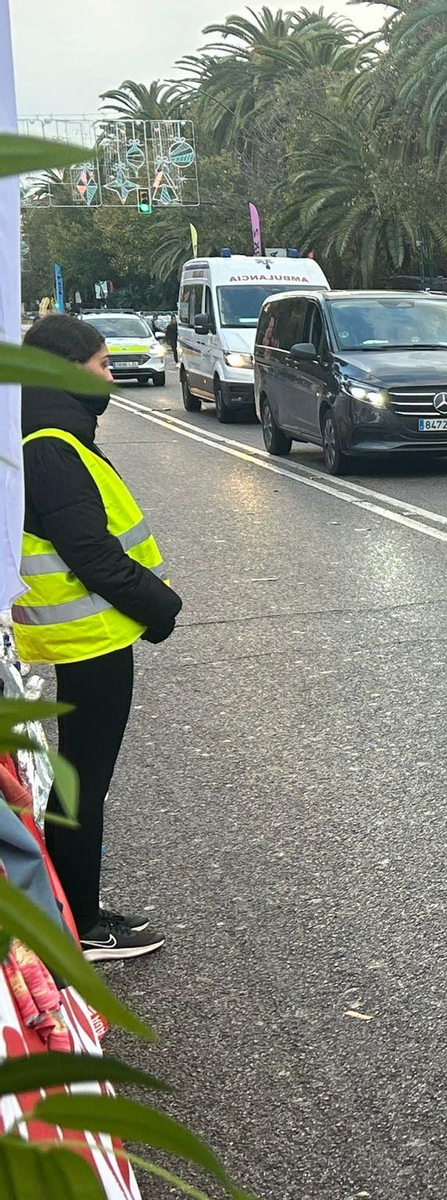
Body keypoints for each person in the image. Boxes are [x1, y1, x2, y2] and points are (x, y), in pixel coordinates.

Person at [14, 315, 182, 961]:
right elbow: (92, 553)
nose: (112, 377)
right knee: (84, 784)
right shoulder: (51, 445)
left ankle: (70, 910)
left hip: (87, 634)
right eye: (104, 364)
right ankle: (82, 925)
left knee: (78, 780)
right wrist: (160, 606)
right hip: (89, 637)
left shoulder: (44, 431)